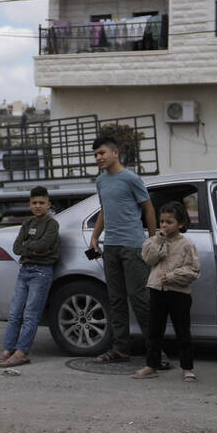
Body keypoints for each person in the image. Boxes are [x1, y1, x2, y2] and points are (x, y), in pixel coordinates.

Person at [87, 136, 157, 365]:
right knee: (115, 299)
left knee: (140, 299)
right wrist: (95, 236)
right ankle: (121, 349)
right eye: (96, 154)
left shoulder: (131, 178)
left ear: (115, 152)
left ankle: (156, 352)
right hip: (111, 246)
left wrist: (153, 240)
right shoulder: (101, 181)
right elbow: (104, 211)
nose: (98, 158)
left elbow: (148, 209)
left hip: (132, 245)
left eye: (102, 153)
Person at [0, 186, 60, 368]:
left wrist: (29, 247)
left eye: (42, 203)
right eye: (34, 203)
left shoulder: (52, 225)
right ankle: (8, 349)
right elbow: (16, 247)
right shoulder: (28, 224)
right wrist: (35, 249)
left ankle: (21, 352)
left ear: (48, 205)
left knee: (31, 314)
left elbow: (43, 245)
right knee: (15, 314)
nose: (38, 206)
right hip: (25, 271)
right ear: (30, 204)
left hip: (41, 272)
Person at [133, 201, 201, 381]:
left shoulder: (186, 245)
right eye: (162, 221)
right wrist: (159, 240)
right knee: (154, 330)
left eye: (169, 222)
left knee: (183, 331)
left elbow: (193, 270)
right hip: (157, 290)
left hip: (179, 293)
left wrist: (173, 277)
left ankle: (187, 368)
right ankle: (151, 365)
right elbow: (148, 259)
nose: (164, 225)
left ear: (181, 224)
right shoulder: (154, 241)